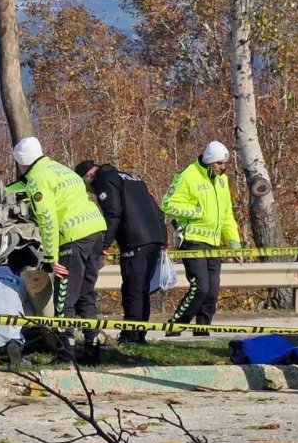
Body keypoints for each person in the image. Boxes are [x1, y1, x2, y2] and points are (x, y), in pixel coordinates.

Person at [12, 137, 107, 359]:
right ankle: (93, 349)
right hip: (95, 231)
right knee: (85, 293)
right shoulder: (60, 169)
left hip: (73, 237)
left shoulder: (37, 179)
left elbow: (47, 219)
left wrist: (51, 257)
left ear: (21, 162)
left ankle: (66, 353)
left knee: (64, 299)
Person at [75, 161, 167, 345]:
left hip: (135, 239)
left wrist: (105, 243)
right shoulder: (132, 177)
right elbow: (157, 211)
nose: (90, 192)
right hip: (154, 238)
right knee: (142, 289)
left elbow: (113, 213)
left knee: (133, 290)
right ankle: (139, 335)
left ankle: (132, 337)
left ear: (88, 177)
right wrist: (163, 238)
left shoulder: (104, 180)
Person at [161, 141, 241, 337]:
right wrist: (195, 211)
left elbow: (227, 214)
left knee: (212, 292)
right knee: (200, 288)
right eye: (220, 164)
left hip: (214, 243)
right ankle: (176, 326)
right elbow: (167, 204)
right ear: (210, 162)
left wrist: (234, 242)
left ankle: (202, 332)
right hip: (193, 240)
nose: (224, 168)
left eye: (225, 163)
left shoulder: (222, 180)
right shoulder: (188, 175)